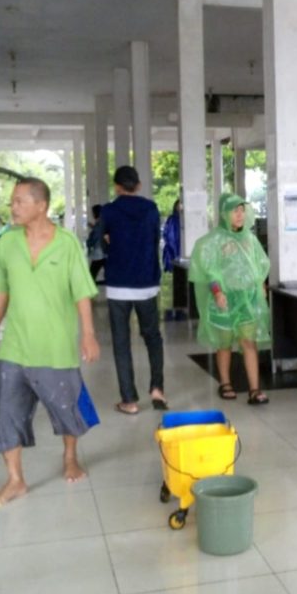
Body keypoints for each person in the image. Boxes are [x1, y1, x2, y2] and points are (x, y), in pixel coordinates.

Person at [0, 178, 101, 502]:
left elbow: (81, 292)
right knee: (7, 410)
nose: (13, 207)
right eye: (12, 201)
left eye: (19, 201)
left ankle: (70, 457)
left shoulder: (66, 243)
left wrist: (88, 334)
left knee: (66, 407)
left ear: (41, 206)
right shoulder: (8, 243)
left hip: (55, 345)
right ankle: (15, 478)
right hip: (15, 345)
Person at [190, 194, 271, 405]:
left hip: (247, 301)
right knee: (224, 343)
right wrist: (217, 292)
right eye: (235, 210)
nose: (240, 215)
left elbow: (259, 266)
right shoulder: (215, 240)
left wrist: (261, 284)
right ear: (224, 213)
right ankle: (225, 383)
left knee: (249, 342)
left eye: (242, 210)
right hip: (224, 300)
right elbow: (209, 270)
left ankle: (255, 390)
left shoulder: (250, 239)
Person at [101, 166, 167, 414]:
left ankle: (129, 400)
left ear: (117, 186)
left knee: (121, 342)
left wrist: (110, 244)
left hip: (118, 285)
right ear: (138, 185)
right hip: (146, 283)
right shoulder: (150, 209)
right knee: (153, 338)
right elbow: (154, 240)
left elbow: (99, 241)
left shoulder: (109, 211)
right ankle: (157, 389)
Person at [86, 203, 106, 283]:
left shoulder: (98, 225)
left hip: (99, 253)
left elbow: (95, 238)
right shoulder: (103, 223)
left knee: (91, 276)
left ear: (95, 213)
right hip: (105, 252)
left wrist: (88, 243)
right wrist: (93, 227)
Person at [162, 198, 182, 272]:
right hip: (173, 247)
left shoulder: (185, 219)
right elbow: (168, 234)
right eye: (178, 206)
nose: (180, 208)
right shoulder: (172, 219)